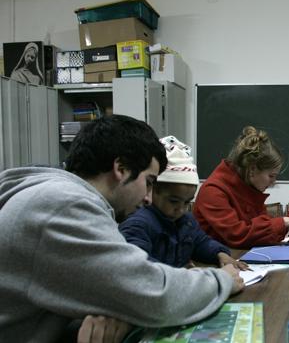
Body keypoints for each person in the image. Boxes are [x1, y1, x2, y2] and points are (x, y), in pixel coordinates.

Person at [0, 115, 244, 342]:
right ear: (122, 169)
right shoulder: (63, 204)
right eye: (148, 182)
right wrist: (222, 279)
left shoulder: (53, 195)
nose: (148, 198)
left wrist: (118, 311)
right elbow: (155, 294)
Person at [120, 136, 248, 270]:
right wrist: (183, 275)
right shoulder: (138, 224)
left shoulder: (186, 220)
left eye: (187, 202)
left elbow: (201, 242)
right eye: (174, 201)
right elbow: (140, 266)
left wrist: (220, 254)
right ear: (153, 190)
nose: (181, 209)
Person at [193, 126, 289, 248]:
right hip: (212, 264)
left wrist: (285, 226)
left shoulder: (249, 187)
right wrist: (285, 222)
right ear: (252, 169)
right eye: (271, 175)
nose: (274, 182)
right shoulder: (213, 191)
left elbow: (259, 231)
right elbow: (237, 235)